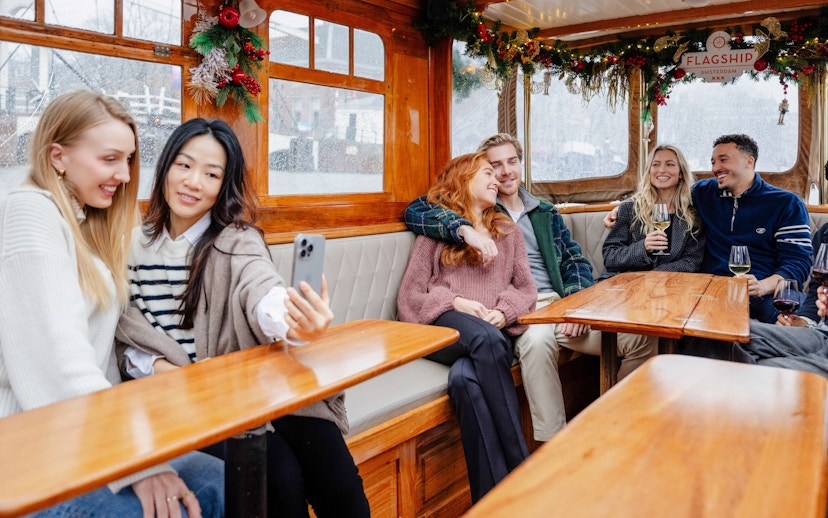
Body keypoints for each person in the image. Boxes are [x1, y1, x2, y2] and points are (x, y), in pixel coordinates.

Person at [114, 118, 370, 518]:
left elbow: (260, 288)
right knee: (279, 479)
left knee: (337, 478)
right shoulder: (127, 247)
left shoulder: (237, 240)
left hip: (258, 385)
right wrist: (169, 372)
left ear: (224, 185)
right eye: (184, 165)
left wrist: (291, 318)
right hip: (188, 403)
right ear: (164, 167)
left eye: (211, 174)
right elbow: (126, 340)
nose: (193, 182)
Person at [0, 90, 223, 517]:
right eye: (110, 159)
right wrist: (135, 463)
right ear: (58, 156)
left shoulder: (87, 221)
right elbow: (58, 361)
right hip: (27, 450)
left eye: (129, 160)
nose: (124, 174)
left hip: (78, 437)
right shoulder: (29, 212)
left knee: (225, 480)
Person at [405, 133, 656, 444]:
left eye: (512, 162)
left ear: (521, 164)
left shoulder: (545, 212)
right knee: (537, 344)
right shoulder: (479, 209)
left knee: (641, 339)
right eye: (494, 166)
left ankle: (620, 424)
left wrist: (577, 304)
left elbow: (574, 260)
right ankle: (554, 445)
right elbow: (417, 209)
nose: (505, 172)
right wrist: (465, 229)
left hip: (559, 303)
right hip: (520, 309)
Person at [397, 152, 536, 503]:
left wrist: (504, 313)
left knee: (464, 380)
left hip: (490, 333)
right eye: (487, 173)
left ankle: (491, 502)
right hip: (443, 326)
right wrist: (454, 302)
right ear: (463, 179)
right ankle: (523, 471)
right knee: (486, 340)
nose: (496, 179)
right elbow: (410, 297)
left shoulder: (508, 231)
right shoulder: (435, 232)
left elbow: (526, 289)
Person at [605, 134, 812, 323]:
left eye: (723, 160)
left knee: (798, 321)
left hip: (763, 291)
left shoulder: (786, 203)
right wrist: (620, 208)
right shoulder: (704, 193)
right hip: (711, 290)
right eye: (713, 162)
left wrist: (763, 286)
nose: (716, 168)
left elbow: (798, 262)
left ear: (749, 162)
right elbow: (664, 190)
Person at [599, 144, 705, 279]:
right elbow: (610, 257)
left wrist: (654, 276)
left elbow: (692, 261)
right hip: (625, 282)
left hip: (668, 282)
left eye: (670, 164)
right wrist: (643, 247)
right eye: (655, 165)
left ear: (681, 173)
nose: (661, 170)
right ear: (649, 171)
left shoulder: (692, 214)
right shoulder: (629, 208)